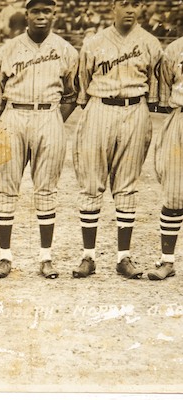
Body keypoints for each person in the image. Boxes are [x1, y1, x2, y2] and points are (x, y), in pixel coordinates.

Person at [0, 0, 78, 279]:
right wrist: (11, 119)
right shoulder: (7, 50)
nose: (41, 16)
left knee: (47, 189)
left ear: (54, 14)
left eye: (47, 11)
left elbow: (71, 95)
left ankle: (46, 258)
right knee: (5, 188)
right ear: (26, 14)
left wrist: (52, 121)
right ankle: (4, 258)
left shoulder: (67, 50)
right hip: (13, 114)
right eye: (36, 11)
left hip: (49, 114)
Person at [72, 0, 163, 279]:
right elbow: (83, 83)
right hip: (99, 107)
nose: (130, 9)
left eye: (136, 3)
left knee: (126, 186)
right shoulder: (94, 42)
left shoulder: (150, 43)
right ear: (113, 6)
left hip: (135, 110)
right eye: (124, 3)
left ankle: (123, 257)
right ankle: (88, 256)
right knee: (91, 183)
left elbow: (155, 86)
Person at [148, 36, 183, 280]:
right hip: (180, 118)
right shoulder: (176, 48)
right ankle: (166, 260)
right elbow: (165, 91)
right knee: (174, 192)